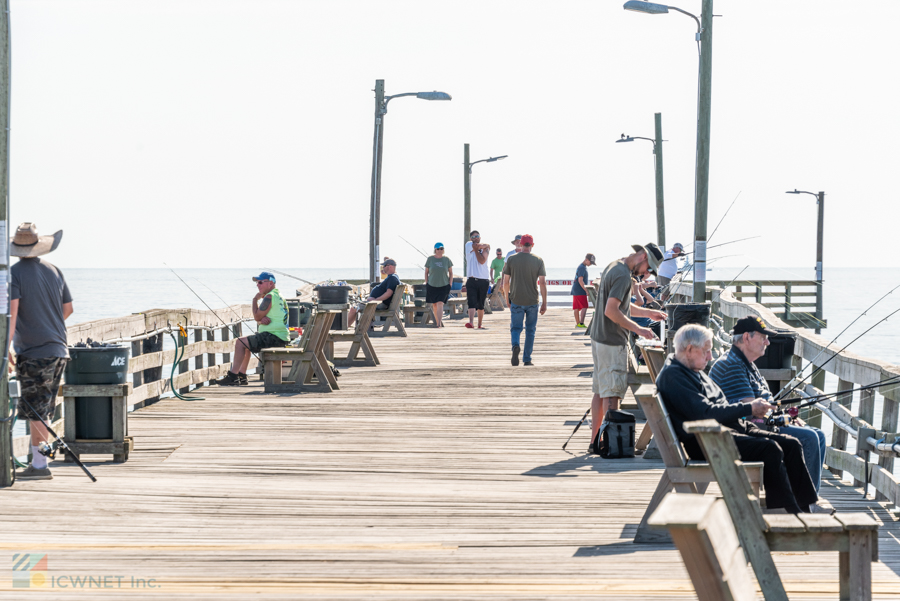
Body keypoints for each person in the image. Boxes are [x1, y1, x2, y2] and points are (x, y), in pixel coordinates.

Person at [657, 324, 819, 514]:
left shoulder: (690, 369)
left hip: (729, 430)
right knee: (770, 449)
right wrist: (749, 407)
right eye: (706, 351)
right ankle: (788, 510)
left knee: (791, 444)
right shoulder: (674, 376)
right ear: (690, 350)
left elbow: (717, 406)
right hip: (708, 441)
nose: (710, 357)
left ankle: (805, 508)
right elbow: (705, 413)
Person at [710, 316, 828, 494]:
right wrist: (783, 420)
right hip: (740, 435)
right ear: (747, 337)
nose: (768, 342)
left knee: (818, 435)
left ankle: (804, 497)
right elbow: (753, 412)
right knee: (809, 438)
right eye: (763, 336)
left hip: (754, 426)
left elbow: (762, 408)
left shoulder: (746, 363)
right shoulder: (732, 365)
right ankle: (807, 502)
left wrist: (787, 418)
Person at [8, 223, 72, 480]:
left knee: (36, 410)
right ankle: (39, 462)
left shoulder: (14, 274)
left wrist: (6, 347)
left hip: (35, 353)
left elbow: (11, 314)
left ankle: (40, 465)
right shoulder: (54, 270)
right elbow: (67, 309)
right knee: (43, 410)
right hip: (59, 349)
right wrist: (48, 325)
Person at [588, 243, 667, 450]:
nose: (647, 274)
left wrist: (649, 313)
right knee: (612, 394)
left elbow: (621, 305)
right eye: (649, 268)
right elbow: (612, 311)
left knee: (600, 391)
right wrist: (640, 331)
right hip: (611, 340)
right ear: (643, 258)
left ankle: (596, 441)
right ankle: (609, 443)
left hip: (599, 338)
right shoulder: (623, 276)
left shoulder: (614, 265)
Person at [216, 272, 290, 386]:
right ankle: (242, 375)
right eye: (257, 282)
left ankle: (233, 376)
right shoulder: (278, 295)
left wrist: (255, 299)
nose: (257, 285)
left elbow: (256, 316)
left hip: (274, 337)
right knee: (246, 345)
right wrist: (261, 321)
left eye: (260, 282)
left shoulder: (270, 296)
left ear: (270, 283)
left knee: (240, 342)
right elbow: (265, 318)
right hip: (279, 336)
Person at [501, 234, 547, 366]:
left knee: (515, 328)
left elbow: (506, 281)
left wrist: (507, 297)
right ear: (532, 245)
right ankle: (527, 359)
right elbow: (542, 283)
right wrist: (544, 302)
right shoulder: (538, 260)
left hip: (516, 299)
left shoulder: (511, 259)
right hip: (532, 300)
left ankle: (515, 346)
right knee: (530, 330)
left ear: (521, 244)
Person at [348, 258, 400, 328]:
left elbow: (388, 293)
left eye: (384, 266)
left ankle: (344, 329)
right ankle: (349, 327)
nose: (383, 268)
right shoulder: (392, 277)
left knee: (354, 308)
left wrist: (375, 300)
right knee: (356, 307)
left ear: (390, 266)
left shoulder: (392, 278)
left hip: (379, 304)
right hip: (379, 303)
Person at [464, 231, 491, 329]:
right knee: (471, 301)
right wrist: (480, 247)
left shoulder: (486, 249)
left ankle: (480, 324)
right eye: (473, 236)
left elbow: (482, 260)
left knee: (481, 303)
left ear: (480, 237)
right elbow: (478, 246)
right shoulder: (468, 245)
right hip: (471, 278)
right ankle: (471, 322)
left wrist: (477, 250)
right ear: (471, 238)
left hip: (483, 279)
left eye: (477, 236)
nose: (475, 238)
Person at [424, 244, 453, 328]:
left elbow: (451, 273)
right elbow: (426, 272)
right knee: (435, 305)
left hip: (444, 285)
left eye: (441, 248)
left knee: (440, 303)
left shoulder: (447, 259)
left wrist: (450, 283)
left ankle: (438, 324)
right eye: (438, 249)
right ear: (435, 250)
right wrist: (426, 283)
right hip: (432, 285)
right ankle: (437, 321)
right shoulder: (430, 259)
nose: (440, 250)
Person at [571, 253, 595, 328]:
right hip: (580, 290)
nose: (591, 264)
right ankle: (581, 323)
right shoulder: (582, 268)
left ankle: (578, 324)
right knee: (584, 306)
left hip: (576, 289)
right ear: (586, 260)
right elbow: (580, 280)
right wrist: (586, 290)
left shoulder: (581, 266)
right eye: (590, 262)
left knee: (576, 307)